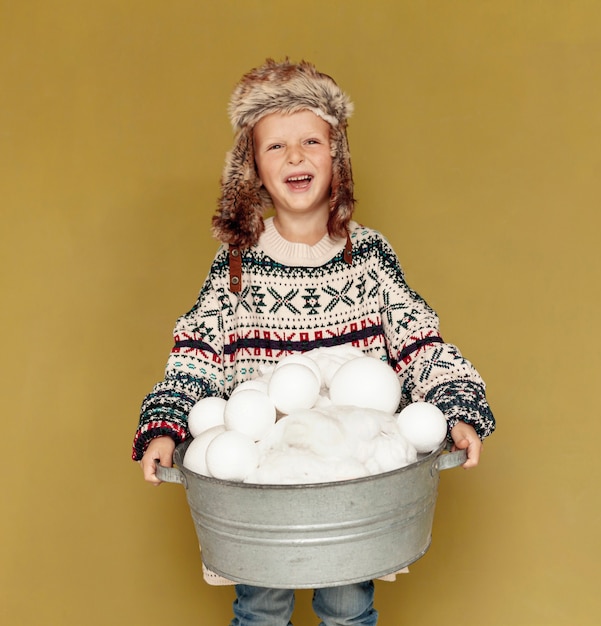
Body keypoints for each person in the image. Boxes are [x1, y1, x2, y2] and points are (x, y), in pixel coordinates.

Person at [133, 59, 495, 626]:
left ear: (336, 158)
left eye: (310, 141)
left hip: (348, 471)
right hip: (261, 477)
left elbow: (418, 340)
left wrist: (457, 409)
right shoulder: (235, 269)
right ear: (251, 167)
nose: (295, 156)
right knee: (260, 605)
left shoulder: (369, 257)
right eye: (275, 147)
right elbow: (194, 357)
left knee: (348, 606)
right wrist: (164, 427)